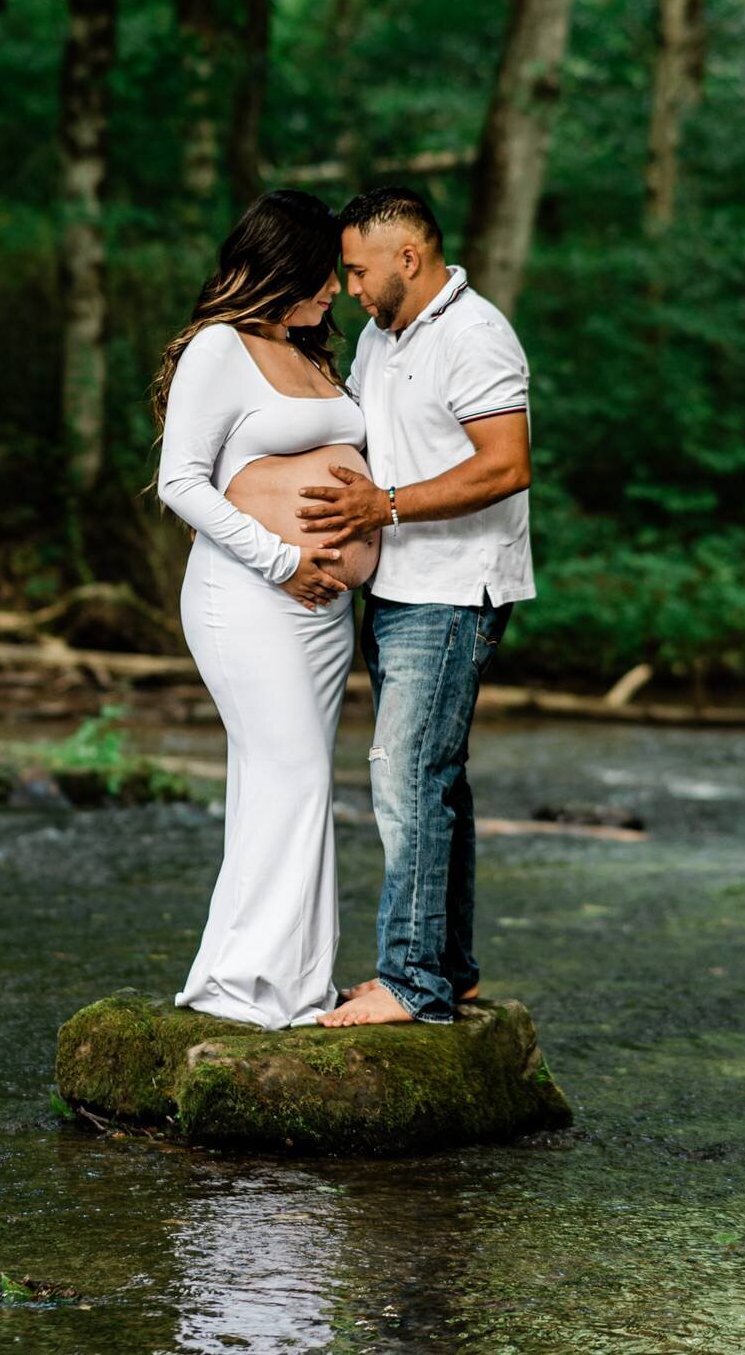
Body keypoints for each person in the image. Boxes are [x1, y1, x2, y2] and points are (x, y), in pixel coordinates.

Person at [297, 185, 535, 1028]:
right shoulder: (379, 335)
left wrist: (384, 507)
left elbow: (505, 466)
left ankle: (411, 984)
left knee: (404, 781)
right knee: (439, 784)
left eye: (358, 271)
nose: (351, 289)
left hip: (451, 590)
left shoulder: (475, 335)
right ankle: (449, 968)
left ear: (409, 256)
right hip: (397, 587)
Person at [153, 190, 377, 1031]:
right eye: (328, 273)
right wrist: (283, 559)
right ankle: (253, 990)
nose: (337, 290)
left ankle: (279, 982)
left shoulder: (309, 353)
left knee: (283, 784)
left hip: (320, 614)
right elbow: (182, 483)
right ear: (284, 263)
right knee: (291, 777)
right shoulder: (219, 348)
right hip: (247, 595)